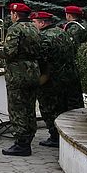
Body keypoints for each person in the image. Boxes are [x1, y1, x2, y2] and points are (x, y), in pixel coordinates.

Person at [0, 3, 41, 157]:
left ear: (15, 15)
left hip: (18, 74)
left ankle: (21, 144)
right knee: (29, 107)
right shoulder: (34, 28)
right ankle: (28, 137)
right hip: (33, 72)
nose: (11, 16)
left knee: (17, 108)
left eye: (11, 13)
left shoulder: (15, 28)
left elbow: (9, 51)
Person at [31, 11, 77, 148]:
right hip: (68, 77)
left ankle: (55, 136)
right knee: (63, 107)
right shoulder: (62, 32)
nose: (33, 25)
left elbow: (42, 59)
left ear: (42, 23)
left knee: (48, 108)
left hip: (51, 80)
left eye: (34, 22)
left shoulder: (44, 37)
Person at [62, 5, 87, 109]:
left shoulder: (73, 29)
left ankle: (74, 111)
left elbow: (70, 48)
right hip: (82, 62)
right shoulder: (85, 26)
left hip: (73, 65)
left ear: (69, 15)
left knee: (72, 93)